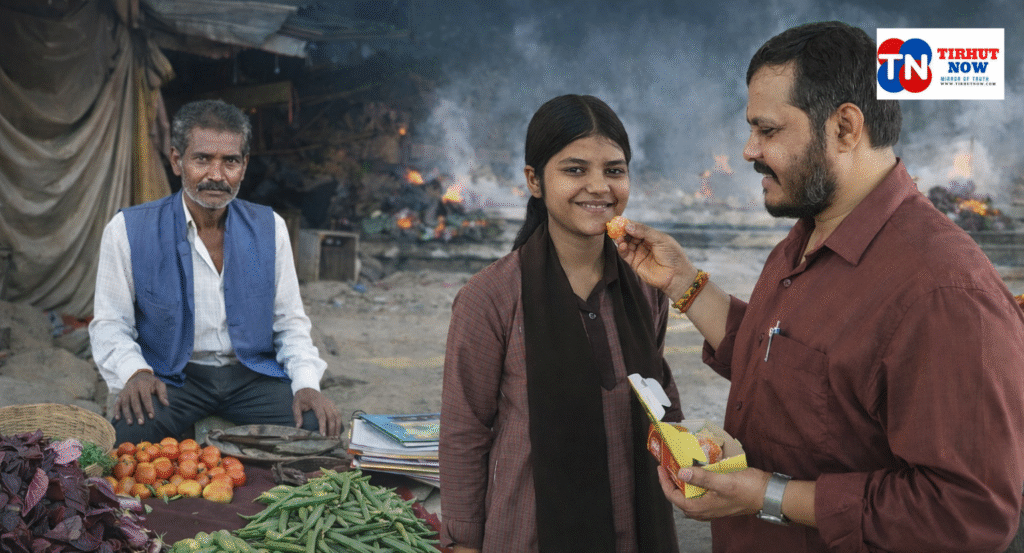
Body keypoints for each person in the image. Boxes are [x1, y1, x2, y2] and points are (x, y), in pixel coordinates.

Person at [614, 21, 1024, 553]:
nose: (747, 150)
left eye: (768, 130)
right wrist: (685, 283)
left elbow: (967, 513)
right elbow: (784, 368)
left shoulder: (941, 292)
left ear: (845, 128)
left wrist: (767, 496)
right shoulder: (806, 236)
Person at [440, 94, 682, 553]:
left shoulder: (646, 283)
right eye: (574, 170)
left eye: (614, 170)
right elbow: (464, 432)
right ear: (534, 179)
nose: (599, 187)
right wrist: (463, 541)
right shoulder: (491, 298)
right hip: (530, 532)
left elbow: (660, 393)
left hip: (637, 528)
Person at [89, 99, 342, 443]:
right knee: (128, 437)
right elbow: (110, 324)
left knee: (317, 428)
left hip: (251, 375)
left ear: (244, 166)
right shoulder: (127, 230)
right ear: (178, 161)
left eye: (230, 162)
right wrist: (136, 372)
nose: (216, 175)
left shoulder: (271, 227)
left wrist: (307, 385)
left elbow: (289, 323)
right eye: (202, 159)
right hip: (172, 377)